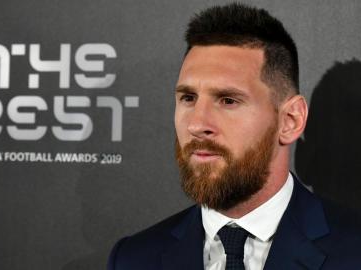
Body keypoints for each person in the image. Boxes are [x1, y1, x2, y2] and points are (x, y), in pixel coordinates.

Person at [107, 3, 361, 270]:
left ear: (290, 121)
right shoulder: (133, 258)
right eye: (188, 98)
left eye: (228, 100)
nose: (197, 124)